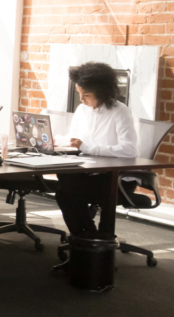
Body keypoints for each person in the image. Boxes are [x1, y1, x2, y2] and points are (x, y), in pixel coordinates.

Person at [55, 62, 138, 241]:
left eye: (86, 95)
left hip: (115, 179)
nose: (81, 99)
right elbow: (74, 138)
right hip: (90, 173)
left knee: (67, 190)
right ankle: (87, 236)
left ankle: (87, 236)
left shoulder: (120, 112)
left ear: (102, 92)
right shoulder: (82, 110)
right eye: (79, 93)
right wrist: (56, 141)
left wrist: (88, 148)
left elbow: (129, 149)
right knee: (64, 185)